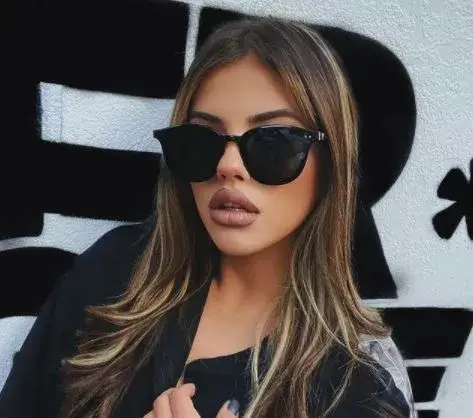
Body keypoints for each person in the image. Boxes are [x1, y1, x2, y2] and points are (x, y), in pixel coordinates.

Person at [0, 16, 415, 418]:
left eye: (273, 141)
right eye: (201, 140)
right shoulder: (114, 275)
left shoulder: (361, 385)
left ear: (330, 162)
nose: (228, 166)